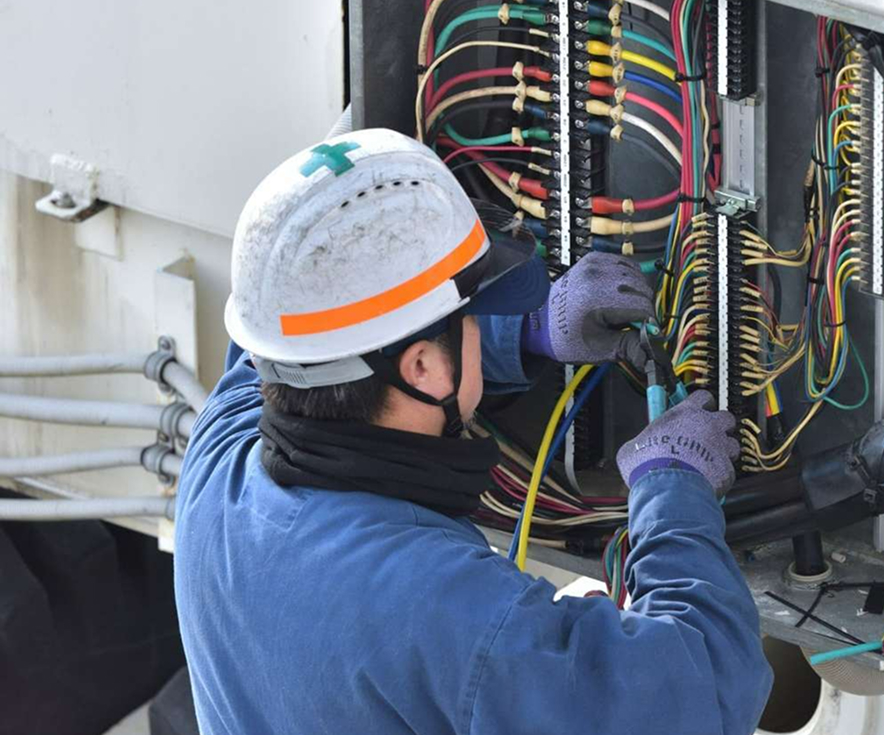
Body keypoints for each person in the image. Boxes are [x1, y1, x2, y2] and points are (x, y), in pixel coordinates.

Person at [173, 128, 772, 735]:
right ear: (423, 368)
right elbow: (706, 688)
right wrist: (674, 492)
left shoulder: (218, 458)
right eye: (476, 316)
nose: (483, 323)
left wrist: (526, 332)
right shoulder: (451, 615)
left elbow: (293, 338)